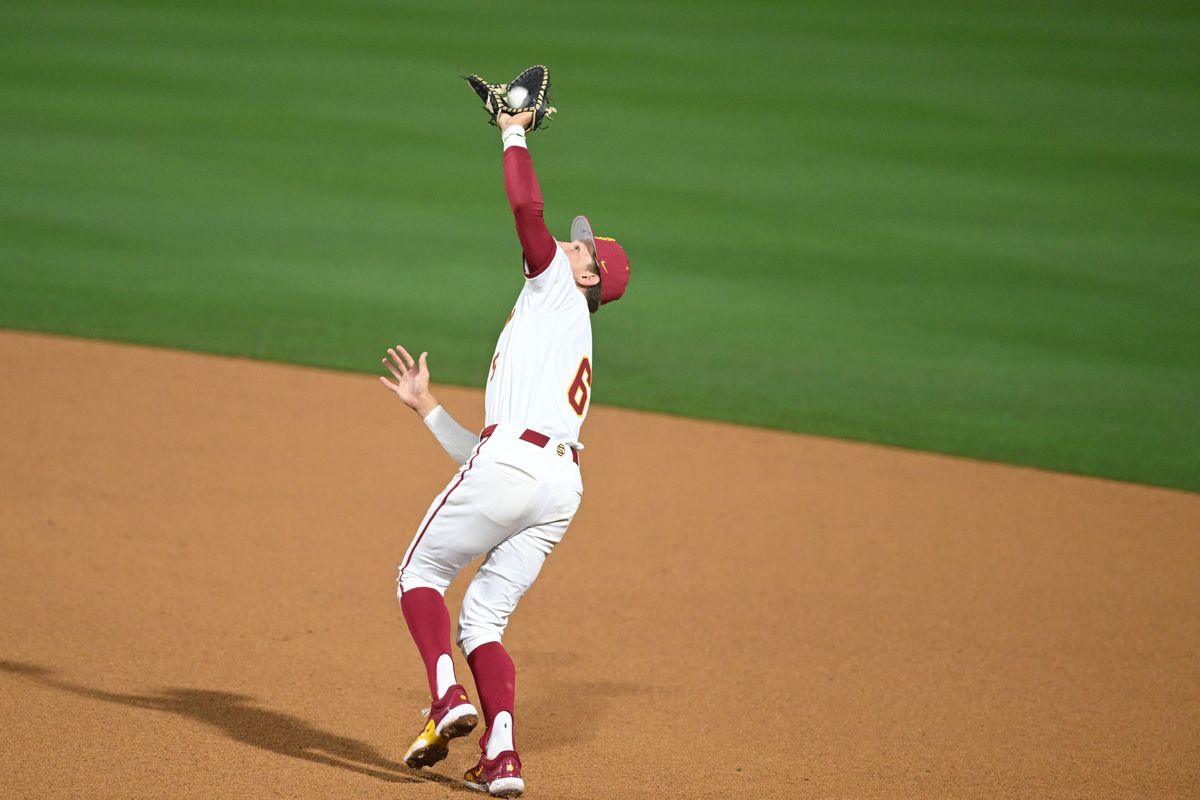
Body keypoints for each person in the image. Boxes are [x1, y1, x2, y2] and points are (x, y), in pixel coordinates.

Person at [378, 107, 631, 797]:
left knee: (417, 575)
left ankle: (445, 699)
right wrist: (428, 408)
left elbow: (526, 207)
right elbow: (492, 454)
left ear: (588, 276)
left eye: (583, 249)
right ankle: (504, 757)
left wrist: (512, 129)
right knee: (483, 617)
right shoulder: (562, 334)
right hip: (557, 488)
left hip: (520, 468)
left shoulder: (554, 288)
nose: (569, 246)